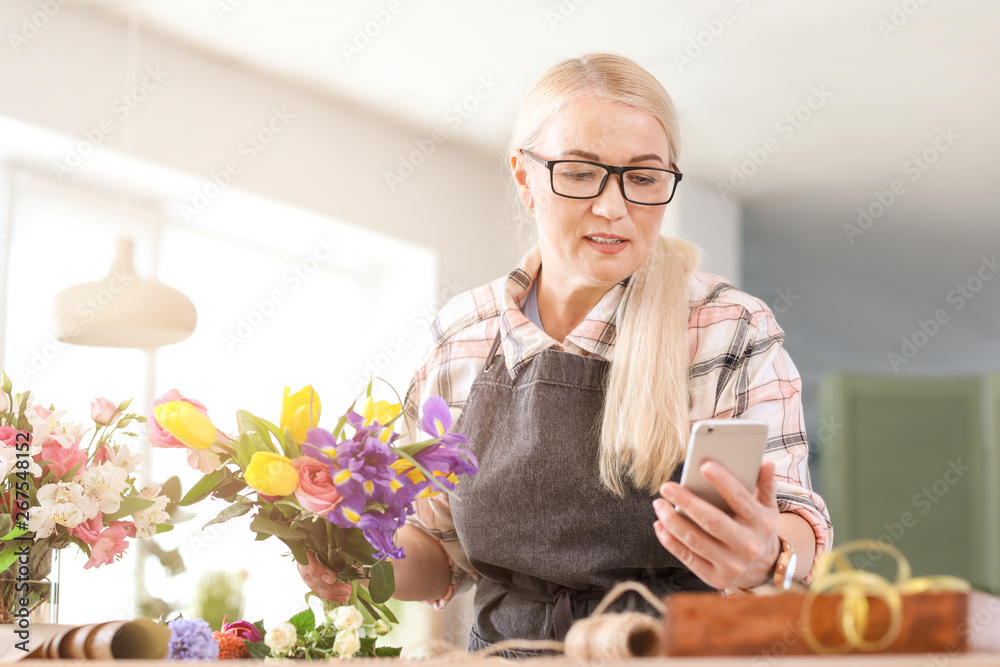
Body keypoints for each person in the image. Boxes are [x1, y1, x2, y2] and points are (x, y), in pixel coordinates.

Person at [300, 52, 833, 651]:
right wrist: (351, 561)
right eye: (580, 172)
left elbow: (790, 516)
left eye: (644, 177)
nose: (613, 207)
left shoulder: (725, 328)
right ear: (525, 178)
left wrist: (769, 554)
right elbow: (442, 551)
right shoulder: (462, 334)